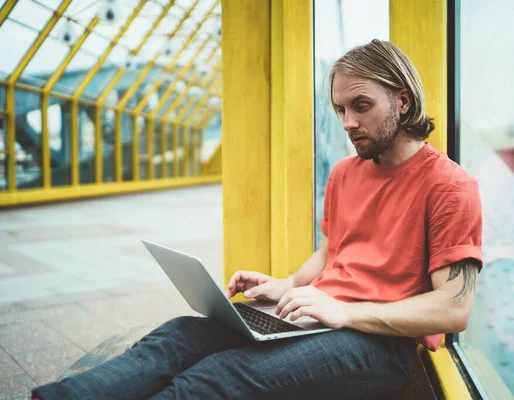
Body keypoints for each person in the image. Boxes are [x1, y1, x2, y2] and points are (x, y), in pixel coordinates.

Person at [32, 39, 483, 400]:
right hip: (318, 315)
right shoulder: (346, 173)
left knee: (217, 378)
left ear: (403, 102)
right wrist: (287, 285)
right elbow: (332, 251)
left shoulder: (449, 186)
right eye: (340, 109)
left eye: (361, 105)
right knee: (179, 335)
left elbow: (454, 308)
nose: (348, 122)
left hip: (376, 345)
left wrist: (343, 312)